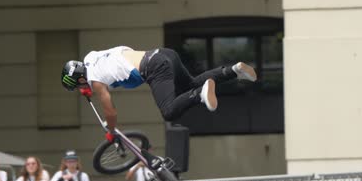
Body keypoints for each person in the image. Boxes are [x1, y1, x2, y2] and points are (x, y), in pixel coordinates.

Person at [61, 46, 257, 141]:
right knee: (191, 83)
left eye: (78, 86)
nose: (81, 89)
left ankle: (199, 95)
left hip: (154, 67)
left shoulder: (96, 82)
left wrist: (111, 132)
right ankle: (233, 70)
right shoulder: (90, 57)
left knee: (169, 111)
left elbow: (111, 113)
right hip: (163, 54)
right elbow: (105, 70)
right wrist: (87, 86)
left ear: (80, 80)